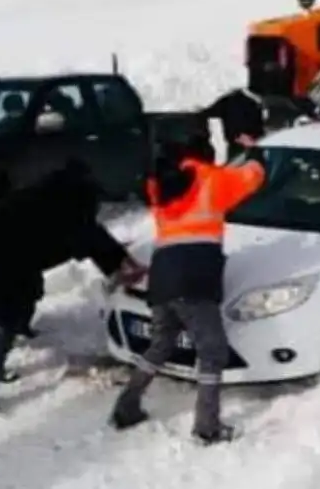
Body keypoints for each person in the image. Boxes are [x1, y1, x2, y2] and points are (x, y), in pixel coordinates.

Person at [108, 137, 266, 444]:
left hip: (163, 276)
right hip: (194, 277)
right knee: (212, 352)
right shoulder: (212, 179)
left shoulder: (164, 186)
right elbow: (254, 176)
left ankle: (126, 406)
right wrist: (255, 149)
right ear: (207, 157)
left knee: (159, 345)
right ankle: (207, 427)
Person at [0, 160, 146, 404]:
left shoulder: (41, 197)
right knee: (4, 321)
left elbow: (93, 237)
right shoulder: (67, 212)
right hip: (4, 270)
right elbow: (92, 238)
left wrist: (119, 257)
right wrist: (122, 265)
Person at [199, 87, 266, 160]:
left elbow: (210, 112)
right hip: (247, 140)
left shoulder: (227, 101)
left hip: (238, 140)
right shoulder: (253, 101)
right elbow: (260, 121)